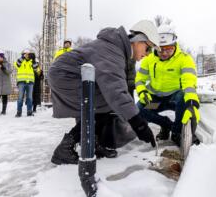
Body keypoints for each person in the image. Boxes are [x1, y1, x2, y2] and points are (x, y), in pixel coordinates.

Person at [49, 20, 160, 165]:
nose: (148, 54)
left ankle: (91, 143)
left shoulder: (116, 48)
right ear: (139, 41)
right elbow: (116, 91)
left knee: (104, 105)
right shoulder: (113, 50)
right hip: (66, 76)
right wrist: (139, 124)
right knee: (106, 102)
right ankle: (65, 148)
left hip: (70, 75)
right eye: (148, 49)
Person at [135, 24, 200, 146]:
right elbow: (140, 79)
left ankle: (177, 133)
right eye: (160, 49)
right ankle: (167, 125)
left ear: (175, 45)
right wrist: (142, 91)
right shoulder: (149, 60)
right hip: (156, 102)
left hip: (174, 101)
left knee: (183, 97)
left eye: (168, 48)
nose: (164, 53)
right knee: (139, 110)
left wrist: (192, 101)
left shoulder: (185, 59)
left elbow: (189, 81)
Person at [14, 49, 39, 117]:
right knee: (20, 98)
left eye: (28, 54)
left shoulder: (32, 62)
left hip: (30, 82)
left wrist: (33, 60)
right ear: (23, 54)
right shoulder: (20, 61)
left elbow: (36, 69)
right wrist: (23, 58)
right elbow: (17, 65)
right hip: (21, 82)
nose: (27, 55)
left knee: (30, 98)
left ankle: (29, 112)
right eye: (25, 54)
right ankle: (19, 112)